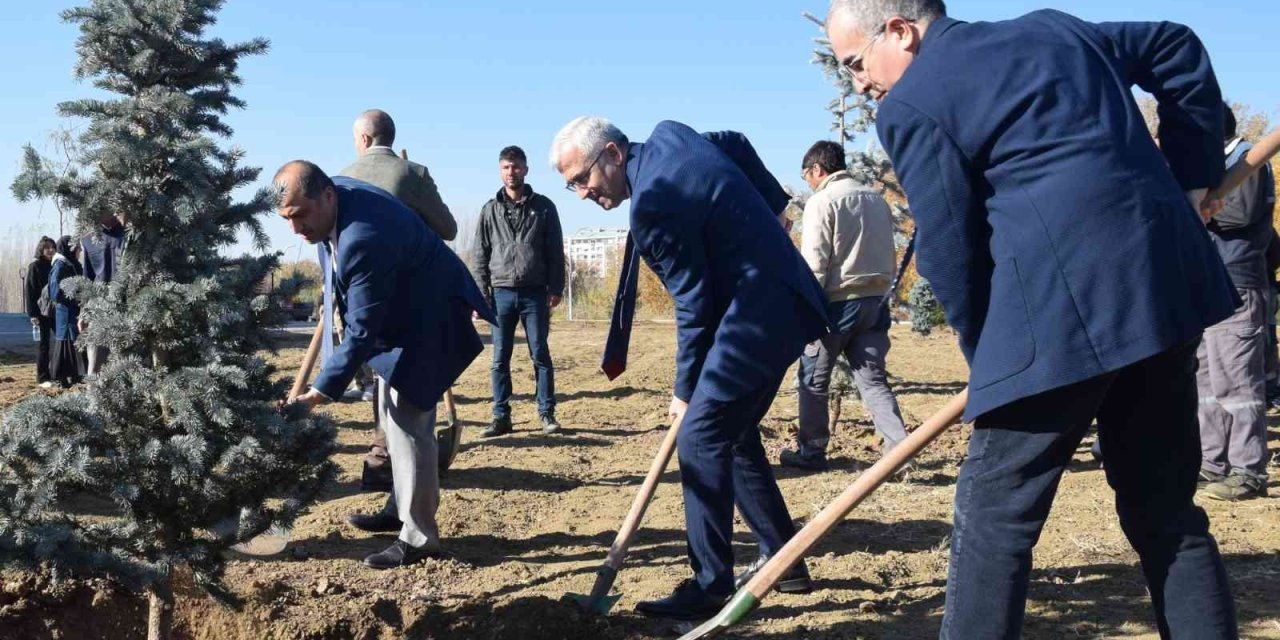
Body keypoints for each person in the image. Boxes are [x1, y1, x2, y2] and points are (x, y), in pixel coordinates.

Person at [825, 1, 1238, 637]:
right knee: (1165, 514)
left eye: (856, 64)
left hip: (1059, 313)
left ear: (901, 33)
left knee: (992, 523)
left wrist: (991, 356)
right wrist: (1192, 174)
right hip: (1162, 290)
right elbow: (1174, 44)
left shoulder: (911, 104)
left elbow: (951, 252)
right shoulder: (1053, 29)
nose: (859, 82)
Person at [551, 117, 827, 620]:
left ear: (613, 154)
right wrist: (776, 209)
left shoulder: (653, 206)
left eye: (582, 179)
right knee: (733, 433)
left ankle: (709, 585)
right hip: (785, 298)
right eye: (570, 185)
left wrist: (684, 393)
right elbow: (738, 142)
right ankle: (786, 561)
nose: (581, 194)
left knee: (699, 435)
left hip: (759, 314)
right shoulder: (671, 136)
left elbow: (694, 307)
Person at [274, 161, 492, 569]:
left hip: (430, 319)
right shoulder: (332, 202)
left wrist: (320, 392)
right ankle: (399, 506)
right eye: (286, 218)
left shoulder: (364, 238)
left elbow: (360, 331)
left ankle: (419, 537)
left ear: (327, 196)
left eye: (300, 215)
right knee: (389, 415)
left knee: (409, 421)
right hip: (402, 311)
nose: (295, 229)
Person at [338, 108, 461, 491]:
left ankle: (379, 461)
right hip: (408, 296)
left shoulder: (341, 179)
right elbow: (448, 229)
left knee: (378, 375)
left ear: (362, 140)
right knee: (407, 383)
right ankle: (395, 464)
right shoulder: (413, 174)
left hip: (357, 295)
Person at [783, 139, 907, 471]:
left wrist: (804, 311)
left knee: (813, 380)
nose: (807, 182)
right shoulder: (876, 200)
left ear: (817, 169)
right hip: (876, 303)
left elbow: (815, 264)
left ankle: (812, 452)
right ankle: (899, 454)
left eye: (806, 175)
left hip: (837, 305)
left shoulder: (823, 201)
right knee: (873, 381)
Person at [1196, 105, 1277, 501]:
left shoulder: (1246, 162)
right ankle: (1213, 466)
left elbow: (1240, 213)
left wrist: (1196, 207)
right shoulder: (1224, 163)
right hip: (1211, 285)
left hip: (1237, 284)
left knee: (1239, 383)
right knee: (1208, 382)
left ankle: (1248, 471)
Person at [471, 145, 565, 436]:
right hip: (500, 294)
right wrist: (480, 295)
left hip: (535, 293)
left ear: (525, 169)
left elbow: (554, 251)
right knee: (500, 358)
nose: (511, 172)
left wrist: (556, 286)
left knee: (540, 353)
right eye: (505, 167)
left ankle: (546, 413)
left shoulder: (544, 207)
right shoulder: (489, 210)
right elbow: (480, 255)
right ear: (500, 171)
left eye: (516, 167)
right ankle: (501, 416)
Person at [79, 214, 126, 376]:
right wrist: (83, 312)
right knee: (95, 365)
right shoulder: (89, 239)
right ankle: (94, 398)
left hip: (129, 306)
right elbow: (88, 278)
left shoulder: (132, 233)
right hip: (99, 308)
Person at [48, 236, 85, 388]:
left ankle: (76, 375)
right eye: (78, 248)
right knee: (66, 343)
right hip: (66, 313)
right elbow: (55, 292)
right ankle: (62, 377)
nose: (80, 251)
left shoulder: (72, 264)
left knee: (74, 343)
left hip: (73, 311)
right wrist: (74, 296)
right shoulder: (60, 266)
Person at [23, 236, 56, 389]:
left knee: (64, 342)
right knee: (44, 345)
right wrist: (33, 314)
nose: (50, 250)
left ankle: (61, 372)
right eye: (47, 247)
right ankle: (43, 377)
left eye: (52, 247)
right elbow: (29, 291)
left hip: (57, 311)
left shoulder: (57, 265)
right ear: (41, 250)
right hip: (41, 313)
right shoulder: (35, 267)